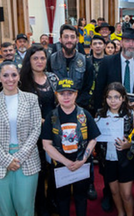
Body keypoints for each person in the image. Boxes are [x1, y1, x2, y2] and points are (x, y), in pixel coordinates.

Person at [0, 61, 42, 216]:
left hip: (27, 159)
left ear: (19, 76)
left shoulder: (31, 99)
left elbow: (36, 129)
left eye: (14, 75)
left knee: (26, 208)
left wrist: (19, 157)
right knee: (3, 210)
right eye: (5, 75)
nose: (10, 79)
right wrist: (6, 160)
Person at [42, 79, 100, 216]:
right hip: (60, 166)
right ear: (57, 95)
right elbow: (46, 144)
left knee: (81, 197)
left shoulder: (84, 115)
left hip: (81, 164)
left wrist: (83, 159)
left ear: (76, 94)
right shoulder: (51, 116)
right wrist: (66, 162)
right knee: (62, 199)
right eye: (62, 94)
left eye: (70, 93)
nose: (66, 97)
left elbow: (93, 139)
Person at [19, 46, 60, 216]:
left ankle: (52, 199)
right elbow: (20, 109)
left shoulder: (52, 77)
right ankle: (39, 204)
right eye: (35, 58)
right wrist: (42, 122)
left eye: (42, 58)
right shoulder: (22, 81)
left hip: (53, 131)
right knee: (38, 170)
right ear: (29, 60)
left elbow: (60, 102)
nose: (39, 62)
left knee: (54, 168)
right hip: (31, 134)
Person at [95, 82, 134, 216]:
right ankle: (121, 213)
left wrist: (129, 144)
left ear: (123, 98)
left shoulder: (132, 116)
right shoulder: (99, 115)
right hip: (108, 159)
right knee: (114, 191)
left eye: (116, 97)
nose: (113, 101)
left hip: (126, 160)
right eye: (109, 97)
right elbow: (95, 136)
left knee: (126, 194)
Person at [94, 29, 134, 108]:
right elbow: (99, 89)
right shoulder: (108, 62)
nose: (131, 45)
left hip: (133, 110)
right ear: (121, 43)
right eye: (127, 41)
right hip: (110, 110)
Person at [48, 25, 92, 107]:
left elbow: (87, 88)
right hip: (56, 107)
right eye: (66, 37)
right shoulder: (51, 60)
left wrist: (73, 104)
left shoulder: (85, 61)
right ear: (60, 40)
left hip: (79, 107)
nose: (69, 40)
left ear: (77, 40)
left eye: (72, 37)